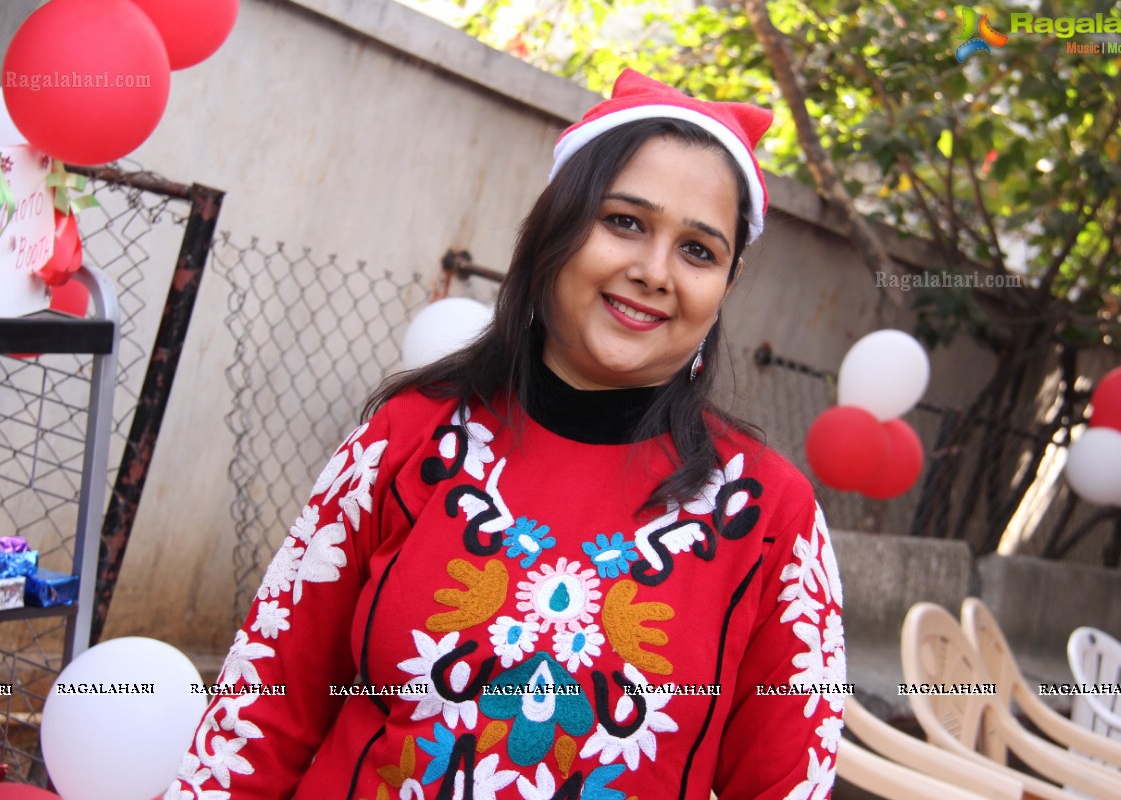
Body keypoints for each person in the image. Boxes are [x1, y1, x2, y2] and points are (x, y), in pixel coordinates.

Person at [168, 68, 845, 800]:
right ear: (556, 226)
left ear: (726, 287)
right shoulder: (408, 439)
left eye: (698, 251)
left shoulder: (768, 515)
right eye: (624, 222)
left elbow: (787, 786)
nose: (654, 271)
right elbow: (264, 709)